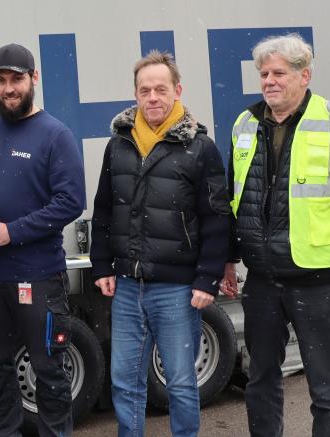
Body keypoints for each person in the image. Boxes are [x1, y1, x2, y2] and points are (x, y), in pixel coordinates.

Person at [220, 34, 330, 437]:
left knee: (325, 384)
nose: (269, 81)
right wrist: (227, 259)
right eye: (263, 74)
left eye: (278, 73)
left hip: (317, 279)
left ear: (304, 75)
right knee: (260, 380)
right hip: (262, 280)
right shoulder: (245, 124)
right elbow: (232, 200)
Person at [89, 50, 231, 437]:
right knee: (125, 382)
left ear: (177, 90)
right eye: (144, 90)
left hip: (178, 289)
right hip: (128, 287)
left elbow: (217, 218)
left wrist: (207, 279)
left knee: (182, 383)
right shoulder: (118, 144)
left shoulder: (200, 149)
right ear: (135, 93)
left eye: (160, 89)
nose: (152, 97)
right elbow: (104, 209)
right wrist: (101, 265)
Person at [0, 42, 86, 437]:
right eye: (1, 80)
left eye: (16, 79)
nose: (8, 88)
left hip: (37, 278)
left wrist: (11, 232)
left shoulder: (55, 135)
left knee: (49, 373)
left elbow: (70, 203)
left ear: (34, 78)